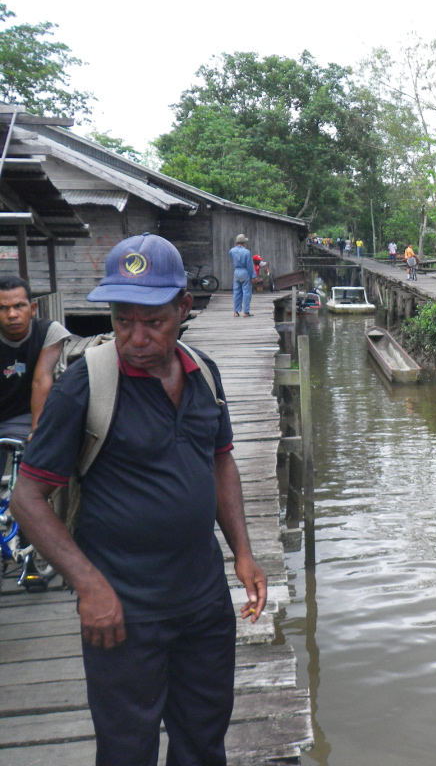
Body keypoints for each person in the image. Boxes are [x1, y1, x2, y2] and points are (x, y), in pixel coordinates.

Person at [10, 232, 267, 766]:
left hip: (203, 601)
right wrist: (90, 587)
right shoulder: (84, 386)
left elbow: (221, 462)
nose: (136, 337)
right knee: (127, 749)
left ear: (183, 308)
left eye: (153, 322)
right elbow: (27, 498)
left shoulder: (204, 374)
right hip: (122, 608)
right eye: (123, 320)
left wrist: (242, 552)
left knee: (203, 741)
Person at [0, 275, 70, 442]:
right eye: (3, 308)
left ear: (32, 309)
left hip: (30, 415)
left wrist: (36, 434)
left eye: (19, 306)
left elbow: (41, 380)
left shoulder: (49, 332)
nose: (12, 314)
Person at [229, 233, 255, 317]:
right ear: (244, 242)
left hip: (236, 271)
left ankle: (236, 312)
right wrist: (253, 276)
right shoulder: (246, 252)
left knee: (236, 292)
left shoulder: (232, 251)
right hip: (244, 271)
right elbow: (249, 265)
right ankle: (246, 312)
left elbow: (231, 256)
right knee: (246, 292)